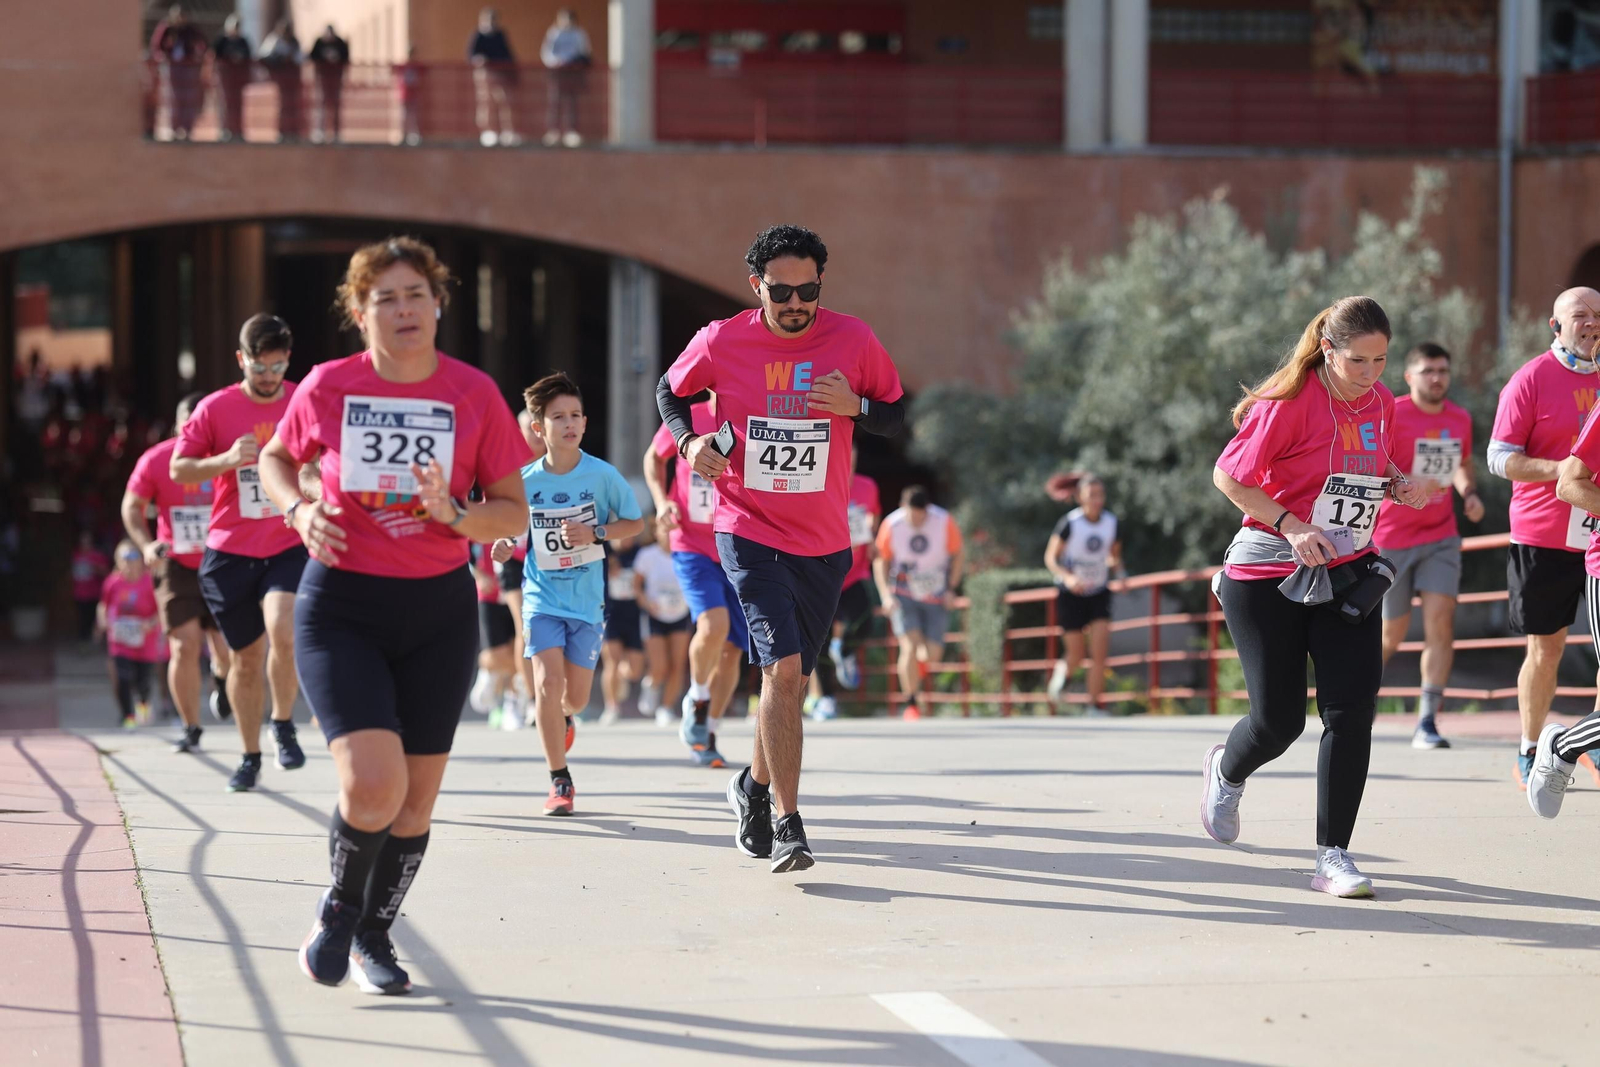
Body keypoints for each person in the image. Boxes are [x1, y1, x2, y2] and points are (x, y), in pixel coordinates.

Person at [257, 236, 530, 995]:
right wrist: (299, 509)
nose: (404, 309)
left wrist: (453, 510)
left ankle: (377, 932)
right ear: (358, 312)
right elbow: (276, 459)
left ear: (439, 304)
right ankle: (341, 908)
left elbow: (513, 507)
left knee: (414, 801)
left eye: (416, 294)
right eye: (385, 297)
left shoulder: (474, 393)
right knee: (372, 783)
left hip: (439, 611)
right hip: (342, 604)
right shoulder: (328, 386)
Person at [658, 224, 907, 873]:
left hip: (825, 543)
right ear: (756, 286)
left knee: (788, 684)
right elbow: (670, 392)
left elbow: (900, 414)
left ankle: (753, 786)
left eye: (808, 290)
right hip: (747, 524)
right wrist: (690, 445)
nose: (796, 303)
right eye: (782, 292)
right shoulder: (722, 338)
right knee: (784, 671)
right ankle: (791, 823)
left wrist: (854, 405)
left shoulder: (853, 338)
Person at [1204, 296, 1428, 899]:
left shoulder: (1381, 401)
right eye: (1359, 361)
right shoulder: (1288, 403)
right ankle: (1226, 771)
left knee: (1352, 712)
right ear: (1327, 350)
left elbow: (1363, 463)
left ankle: (1334, 856)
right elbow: (1229, 477)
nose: (1373, 374)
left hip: (1348, 568)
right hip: (1265, 574)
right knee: (1278, 722)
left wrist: (1396, 484)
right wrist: (1291, 524)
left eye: (1382, 360)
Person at [496, 372, 644, 816]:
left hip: (587, 602)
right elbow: (507, 532)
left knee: (574, 698)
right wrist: (503, 546)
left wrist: (595, 532)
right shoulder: (523, 480)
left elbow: (634, 523)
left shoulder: (602, 475)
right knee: (546, 683)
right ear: (538, 428)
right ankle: (559, 780)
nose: (570, 423)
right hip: (541, 597)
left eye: (576, 414)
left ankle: (565, 718)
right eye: (558, 416)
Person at [172, 314, 309, 793]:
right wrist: (227, 460)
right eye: (259, 366)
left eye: (277, 366)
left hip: (288, 540)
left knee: (283, 628)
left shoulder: (302, 398)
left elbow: (330, 455)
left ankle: (284, 723)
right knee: (246, 659)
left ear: (288, 359)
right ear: (241, 360)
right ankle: (249, 755)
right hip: (229, 550)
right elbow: (179, 469)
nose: (269, 377)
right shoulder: (214, 408)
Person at [1488, 287, 1600, 788]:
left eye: (1598, 315)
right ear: (1555, 326)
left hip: (1597, 530)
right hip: (1545, 533)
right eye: (1580, 315)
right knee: (1546, 648)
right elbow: (1498, 457)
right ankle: (1531, 748)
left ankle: (1593, 744)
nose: (1591, 323)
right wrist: (1566, 468)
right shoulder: (1530, 379)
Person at [1371, 343, 1485, 750]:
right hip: (1392, 538)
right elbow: (1368, 465)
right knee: (1391, 633)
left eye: (1443, 370)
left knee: (1441, 622)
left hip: (1441, 535)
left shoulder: (1459, 417)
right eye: (1428, 370)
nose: (1437, 378)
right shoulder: (1392, 412)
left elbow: (1460, 463)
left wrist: (1468, 493)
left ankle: (1427, 722)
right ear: (1409, 376)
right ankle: (1358, 702)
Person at [123, 392, 235, 754]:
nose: (195, 429)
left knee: (227, 649)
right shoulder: (156, 460)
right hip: (175, 563)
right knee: (184, 646)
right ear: (177, 424)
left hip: (224, 558)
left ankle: (221, 676)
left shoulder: (228, 457)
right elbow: (132, 506)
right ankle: (190, 726)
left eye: (202, 422)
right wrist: (145, 545)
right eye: (188, 423)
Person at [644, 398, 747, 759]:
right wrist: (661, 502)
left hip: (740, 544)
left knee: (734, 649)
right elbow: (654, 458)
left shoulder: (756, 410)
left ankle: (709, 731)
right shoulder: (690, 416)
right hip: (692, 543)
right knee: (713, 624)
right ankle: (698, 696)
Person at [873, 486, 964, 721]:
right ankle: (911, 701)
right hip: (903, 591)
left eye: (920, 515)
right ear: (904, 508)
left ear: (928, 510)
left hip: (935, 592)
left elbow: (958, 555)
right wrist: (886, 594)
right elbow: (881, 561)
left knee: (932, 654)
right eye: (912, 515)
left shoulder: (944, 521)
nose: (916, 520)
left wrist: (952, 589)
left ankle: (916, 670)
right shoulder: (892, 524)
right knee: (910, 647)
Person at [806, 445, 881, 720]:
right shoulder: (815, 482)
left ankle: (846, 649)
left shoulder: (867, 486)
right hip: (822, 574)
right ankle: (826, 698)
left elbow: (874, 517)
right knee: (820, 638)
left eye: (852, 459)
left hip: (855, 572)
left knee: (865, 620)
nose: (847, 464)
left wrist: (872, 538)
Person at [1043, 474, 1121, 714]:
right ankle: (1062, 674)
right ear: (1079, 498)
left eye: (1100, 495)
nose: (1097, 500)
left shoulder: (1111, 522)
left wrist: (1120, 571)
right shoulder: (1070, 523)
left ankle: (1093, 705)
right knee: (1076, 654)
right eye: (1091, 496)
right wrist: (1068, 577)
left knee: (1099, 652)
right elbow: (1050, 558)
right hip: (1071, 594)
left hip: (1098, 592)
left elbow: (1114, 556)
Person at [98, 541, 164, 729]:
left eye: (134, 558)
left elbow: (160, 610)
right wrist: (103, 621)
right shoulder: (112, 582)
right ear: (118, 561)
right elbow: (103, 605)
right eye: (125, 559)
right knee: (123, 677)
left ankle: (143, 702)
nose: (129, 563)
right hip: (120, 641)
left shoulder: (149, 581)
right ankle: (128, 715)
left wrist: (149, 624)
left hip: (145, 641)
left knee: (143, 681)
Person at [634, 522, 692, 730]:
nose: (668, 534)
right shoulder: (647, 555)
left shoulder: (685, 553)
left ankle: (666, 708)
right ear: (656, 531)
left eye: (672, 530)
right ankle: (652, 684)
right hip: (654, 615)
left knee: (678, 664)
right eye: (664, 530)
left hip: (680, 614)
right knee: (659, 666)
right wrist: (646, 603)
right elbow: (636, 585)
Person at [469, 540, 518, 729]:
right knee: (495, 655)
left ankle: (510, 703)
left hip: (515, 588)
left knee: (518, 651)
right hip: (488, 595)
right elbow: (464, 549)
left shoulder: (517, 512)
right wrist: (478, 575)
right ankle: (489, 671)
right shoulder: (477, 511)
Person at [599, 529, 645, 725]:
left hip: (633, 614)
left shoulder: (639, 553)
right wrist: (607, 569)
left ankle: (621, 676)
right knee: (611, 661)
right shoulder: (602, 551)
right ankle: (611, 706)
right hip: (610, 614)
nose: (628, 537)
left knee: (635, 670)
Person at [149, 4, 208, 140]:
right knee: (173, 98)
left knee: (189, 98)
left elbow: (203, 44)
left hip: (189, 67)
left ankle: (187, 128)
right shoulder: (167, 29)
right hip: (172, 67)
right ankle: (174, 128)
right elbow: (156, 46)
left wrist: (197, 55)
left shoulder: (191, 30)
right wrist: (161, 57)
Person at [539, 8, 591, 147]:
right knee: (555, 100)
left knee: (571, 101)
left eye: (569, 19)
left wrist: (574, 61)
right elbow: (546, 53)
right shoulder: (554, 33)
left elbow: (585, 52)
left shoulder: (579, 34)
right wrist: (557, 62)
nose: (567, 22)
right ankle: (553, 131)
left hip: (573, 72)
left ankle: (571, 131)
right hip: (557, 73)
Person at [468, 8, 518, 147]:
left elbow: (508, 54)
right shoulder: (478, 35)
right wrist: (480, 60)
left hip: (502, 73)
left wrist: (510, 70)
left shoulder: (500, 35)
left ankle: (508, 131)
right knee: (486, 102)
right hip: (485, 74)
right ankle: (488, 131)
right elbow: (472, 55)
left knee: (505, 102)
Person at [259, 18, 304, 143]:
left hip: (292, 81)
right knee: (281, 106)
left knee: (293, 106)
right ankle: (281, 131)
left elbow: (301, 58)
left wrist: (291, 59)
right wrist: (280, 60)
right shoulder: (274, 41)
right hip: (278, 79)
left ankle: (293, 131)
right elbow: (264, 56)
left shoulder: (294, 43)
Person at [211, 15, 253, 142]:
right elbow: (214, 55)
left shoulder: (243, 41)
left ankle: (237, 130)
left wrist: (239, 58)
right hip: (225, 79)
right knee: (225, 104)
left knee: (238, 105)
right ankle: (225, 130)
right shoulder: (221, 40)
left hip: (238, 79)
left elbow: (248, 56)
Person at [311, 25, 350, 143]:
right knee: (321, 104)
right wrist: (324, 57)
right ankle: (320, 131)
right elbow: (312, 56)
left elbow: (346, 57)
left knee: (336, 105)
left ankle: (336, 132)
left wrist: (336, 58)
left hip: (336, 78)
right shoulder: (319, 42)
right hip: (323, 79)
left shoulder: (340, 43)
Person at [71, 531, 110, 641]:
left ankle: (94, 641)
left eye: (87, 541)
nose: (85, 544)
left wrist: (95, 568)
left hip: (94, 593)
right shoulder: (76, 554)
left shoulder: (97, 556)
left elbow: (107, 573)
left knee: (94, 619)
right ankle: (83, 641)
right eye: (83, 542)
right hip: (79, 593)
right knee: (82, 619)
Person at [394, 46, 425, 146]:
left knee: (413, 116)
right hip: (404, 95)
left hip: (413, 95)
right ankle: (403, 135)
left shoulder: (415, 66)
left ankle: (414, 135)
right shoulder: (404, 66)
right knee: (404, 116)